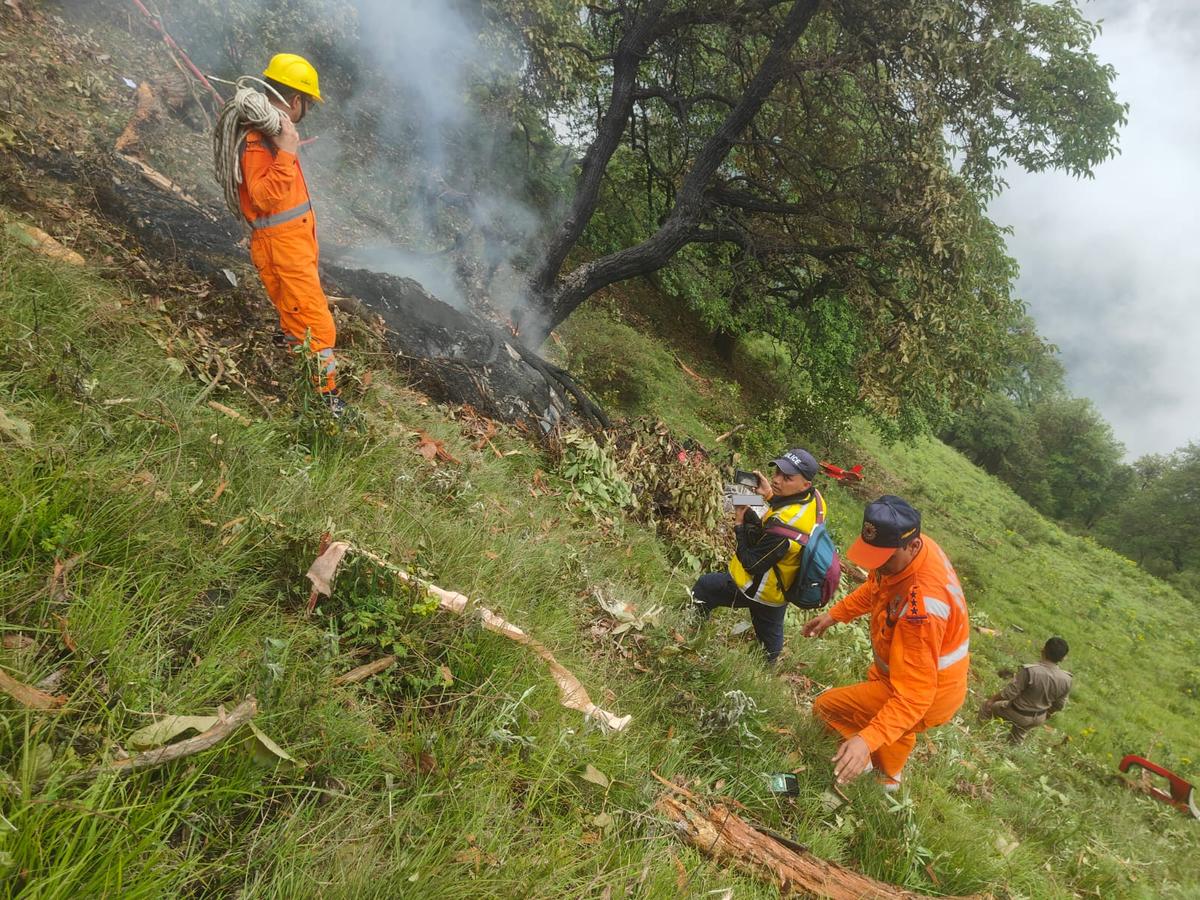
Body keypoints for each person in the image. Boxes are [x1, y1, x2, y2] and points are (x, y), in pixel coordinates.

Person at [802, 496, 969, 791]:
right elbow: (877, 588)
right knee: (894, 721)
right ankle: (887, 778)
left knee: (825, 708)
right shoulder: (907, 551)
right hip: (908, 676)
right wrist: (835, 615)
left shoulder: (923, 609)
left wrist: (865, 740)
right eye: (872, 557)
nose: (876, 567)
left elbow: (914, 697)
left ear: (912, 546)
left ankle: (862, 763)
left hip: (927, 694)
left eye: (883, 560)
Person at [238, 53, 343, 413]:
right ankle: (327, 404)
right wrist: (285, 152)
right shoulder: (260, 140)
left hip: (292, 246)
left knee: (298, 316)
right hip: (282, 250)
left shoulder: (273, 133)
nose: (305, 111)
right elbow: (264, 197)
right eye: (306, 104)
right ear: (296, 100)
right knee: (317, 324)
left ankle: (296, 374)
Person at [691, 448, 827, 665]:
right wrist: (770, 496)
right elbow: (786, 515)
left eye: (787, 478)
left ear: (805, 484)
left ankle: (690, 633)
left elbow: (751, 563)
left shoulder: (785, 528)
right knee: (770, 649)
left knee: (705, 588)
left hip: (757, 589)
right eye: (778, 473)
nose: (777, 480)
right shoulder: (816, 500)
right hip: (781, 590)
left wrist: (739, 524)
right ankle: (768, 665)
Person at [979, 637, 1072, 743]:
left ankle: (979, 735)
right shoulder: (1067, 679)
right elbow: (1059, 705)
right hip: (1039, 717)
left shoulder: (1030, 671)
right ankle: (1011, 752)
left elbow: (1009, 693)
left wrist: (991, 701)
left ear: (1043, 649)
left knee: (986, 708)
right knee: (1018, 735)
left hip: (1017, 712)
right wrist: (1047, 714)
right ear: (1063, 658)